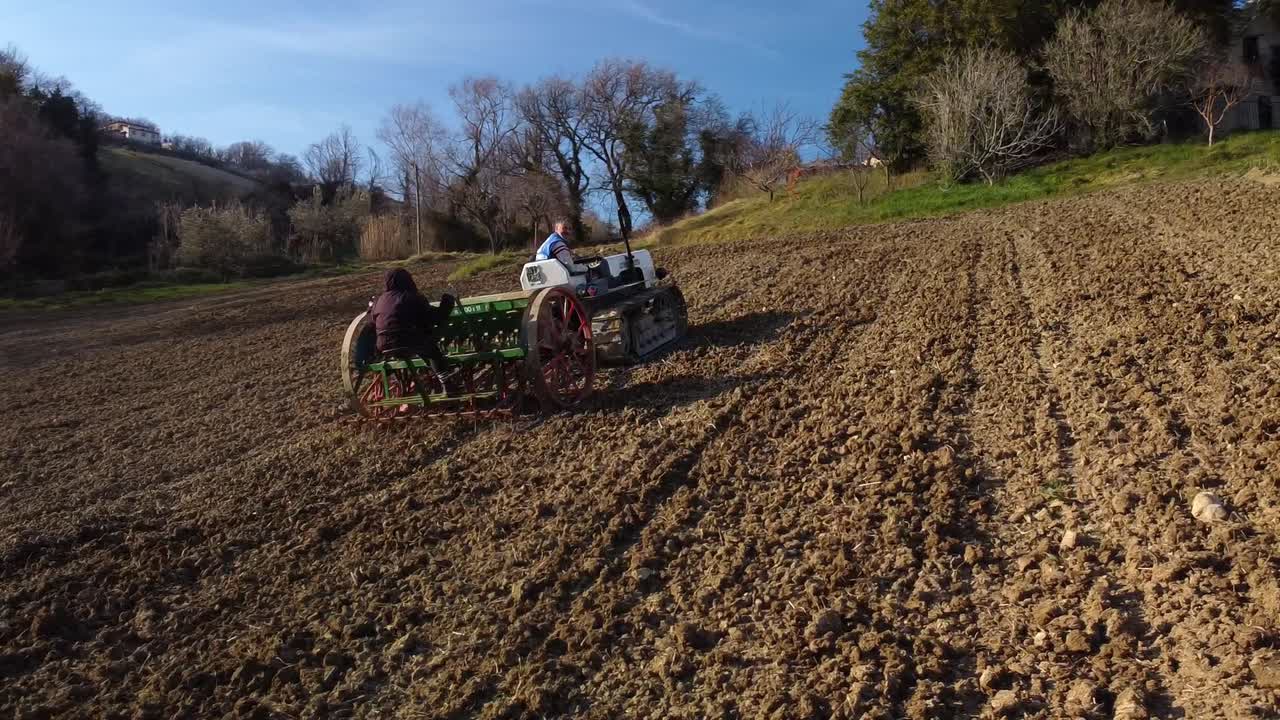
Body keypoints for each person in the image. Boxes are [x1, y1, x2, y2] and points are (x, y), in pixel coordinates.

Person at [368, 268, 457, 381]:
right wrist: (448, 299)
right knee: (431, 350)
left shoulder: (379, 300)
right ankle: (446, 381)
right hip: (408, 341)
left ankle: (393, 372)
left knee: (419, 341)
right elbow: (435, 318)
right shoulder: (412, 297)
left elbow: (373, 320)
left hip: (383, 345)